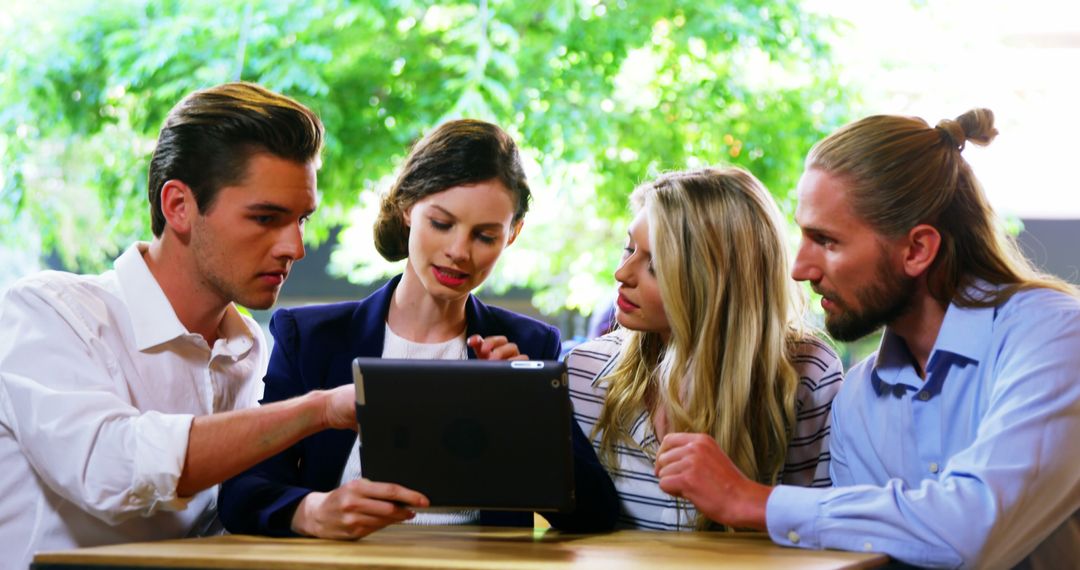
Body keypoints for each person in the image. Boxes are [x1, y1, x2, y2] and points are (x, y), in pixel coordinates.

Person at [654, 109, 1080, 567]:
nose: (800, 269)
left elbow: (975, 529)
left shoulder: (1055, 336)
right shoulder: (857, 397)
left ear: (917, 249)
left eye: (826, 240)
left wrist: (754, 501)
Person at [0, 82, 362, 569]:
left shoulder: (251, 349)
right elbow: (112, 470)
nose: (294, 248)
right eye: (266, 217)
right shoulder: (49, 312)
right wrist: (318, 409)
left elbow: (242, 509)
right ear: (179, 207)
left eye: (301, 220)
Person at [220, 119, 617, 539]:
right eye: (442, 224)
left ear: (512, 235)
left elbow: (595, 513)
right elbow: (243, 492)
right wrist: (313, 510)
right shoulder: (312, 337)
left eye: (485, 235)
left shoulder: (531, 345)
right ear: (408, 208)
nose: (459, 252)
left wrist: (529, 412)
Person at [567, 167, 843, 530]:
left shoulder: (807, 374)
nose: (622, 274)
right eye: (628, 248)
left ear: (715, 282)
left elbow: (823, 530)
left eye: (655, 264)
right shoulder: (583, 373)